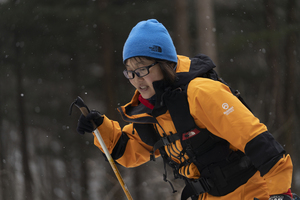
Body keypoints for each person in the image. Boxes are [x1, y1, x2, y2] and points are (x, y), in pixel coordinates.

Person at [77, 19, 296, 200]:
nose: (137, 81)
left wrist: (280, 194)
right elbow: (130, 151)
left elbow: (261, 144)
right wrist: (100, 128)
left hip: (250, 193)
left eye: (142, 70)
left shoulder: (202, 93)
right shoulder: (154, 107)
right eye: (130, 72)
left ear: (165, 64)